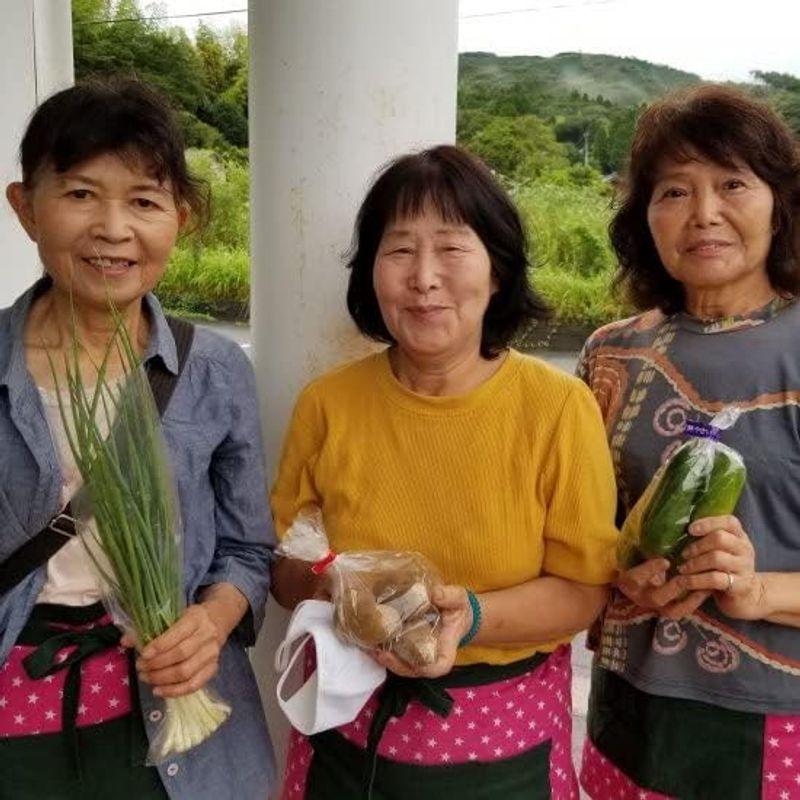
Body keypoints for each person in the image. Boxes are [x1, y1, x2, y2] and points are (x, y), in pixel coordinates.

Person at [270, 144, 619, 799]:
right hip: (345, 734)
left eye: (451, 249)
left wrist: (474, 617)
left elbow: (585, 589)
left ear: (497, 271)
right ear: (370, 273)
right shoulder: (329, 402)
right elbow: (286, 572)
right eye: (399, 250)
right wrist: (333, 583)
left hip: (502, 747)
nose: (423, 277)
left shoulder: (557, 408)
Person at [0, 78, 275, 799]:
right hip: (16, 723)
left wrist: (211, 622)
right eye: (82, 194)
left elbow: (250, 549)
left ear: (179, 219)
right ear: (26, 208)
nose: (113, 227)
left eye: (144, 201)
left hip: (171, 735)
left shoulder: (214, 372)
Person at [577, 85, 800, 800]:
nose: (704, 213)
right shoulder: (610, 355)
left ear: (780, 202)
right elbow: (573, 527)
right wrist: (614, 564)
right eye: (674, 191)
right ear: (646, 218)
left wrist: (755, 588)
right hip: (627, 707)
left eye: (732, 183)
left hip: (770, 721)